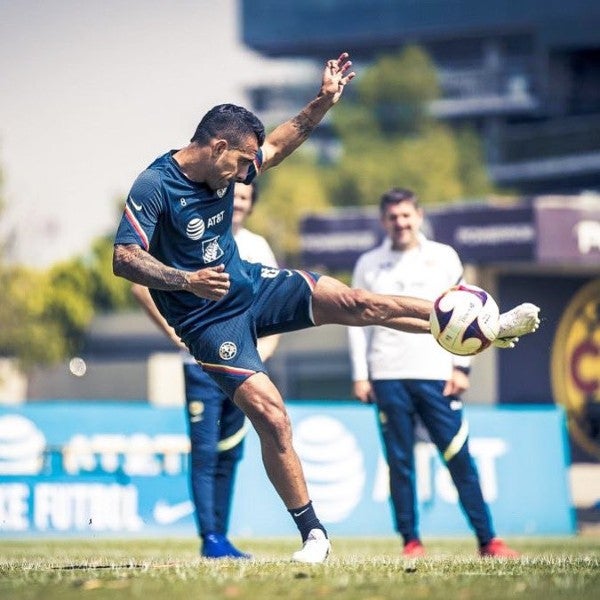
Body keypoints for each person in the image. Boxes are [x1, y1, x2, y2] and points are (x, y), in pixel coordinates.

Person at [113, 52, 540, 563]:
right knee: (273, 417)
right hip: (205, 321)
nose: (251, 174)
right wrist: (186, 281)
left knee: (357, 302)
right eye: (245, 163)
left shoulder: (234, 164)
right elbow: (123, 258)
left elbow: (279, 140)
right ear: (217, 147)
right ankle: (314, 534)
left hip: (250, 284)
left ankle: (481, 324)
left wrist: (324, 100)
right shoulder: (155, 185)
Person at [348, 187, 523, 558]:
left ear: (419, 216)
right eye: (393, 217)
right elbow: (355, 321)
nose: (400, 223)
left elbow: (476, 316)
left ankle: (487, 539)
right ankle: (411, 541)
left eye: (406, 215)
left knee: (458, 455)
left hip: (436, 374)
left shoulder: (443, 258)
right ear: (384, 221)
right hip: (387, 374)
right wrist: (361, 374)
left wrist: (462, 367)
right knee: (400, 462)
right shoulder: (368, 264)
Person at [131, 181, 279, 559]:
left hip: (244, 367)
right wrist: (174, 332)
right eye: (236, 196)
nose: (240, 203)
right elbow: (140, 285)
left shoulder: (258, 247)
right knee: (206, 451)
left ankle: (222, 538)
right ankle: (209, 538)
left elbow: (272, 305)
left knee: (231, 450)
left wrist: (260, 355)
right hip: (201, 366)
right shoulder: (191, 235)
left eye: (247, 198)